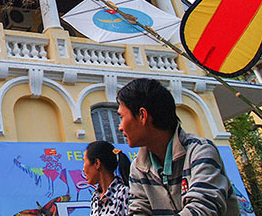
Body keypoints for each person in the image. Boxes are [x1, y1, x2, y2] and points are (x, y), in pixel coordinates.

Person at [117, 78, 239, 215]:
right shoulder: (138, 168)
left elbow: (202, 209)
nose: (120, 127)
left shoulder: (200, 152)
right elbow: (138, 211)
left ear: (142, 115)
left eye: (121, 117)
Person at [83, 140, 130, 216]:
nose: (83, 169)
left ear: (97, 163)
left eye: (84, 162)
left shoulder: (124, 193)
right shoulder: (95, 198)